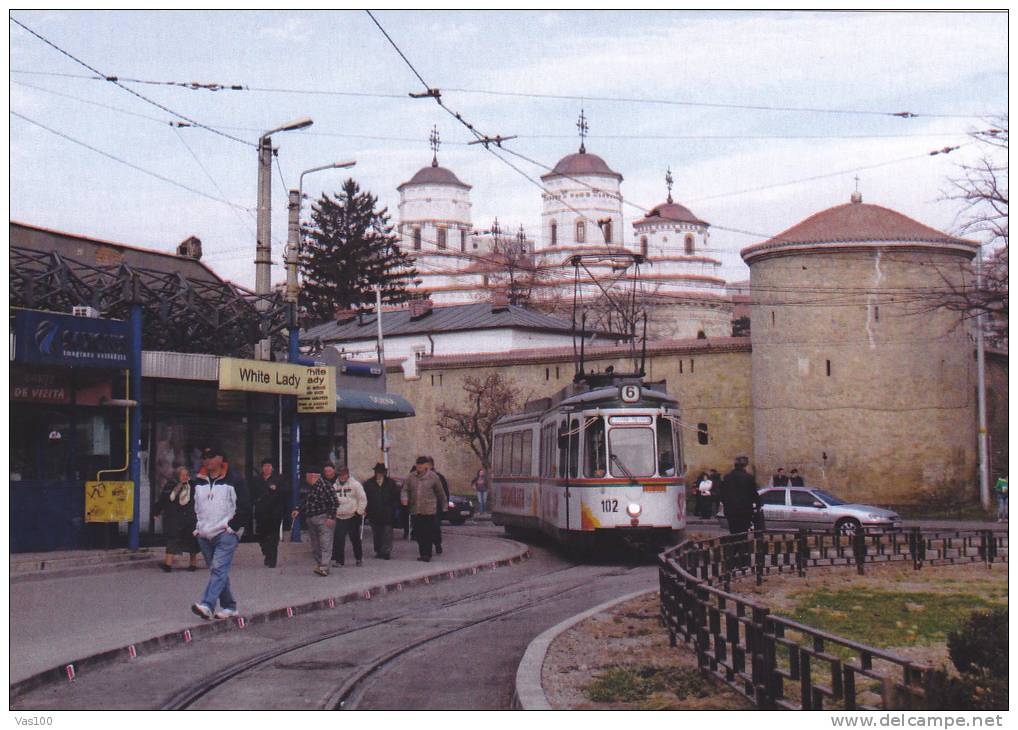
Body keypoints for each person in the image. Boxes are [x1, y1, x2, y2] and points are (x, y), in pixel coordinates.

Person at [190, 447, 250, 620]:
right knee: (218, 572)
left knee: (218, 569)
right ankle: (230, 606)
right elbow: (195, 506)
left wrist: (232, 527)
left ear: (221, 458)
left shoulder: (235, 480)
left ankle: (207, 605)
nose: (207, 460)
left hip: (225, 533)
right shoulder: (199, 481)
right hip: (204, 533)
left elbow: (245, 505)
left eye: (211, 456)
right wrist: (197, 528)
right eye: (205, 457)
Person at [291, 465, 338, 576]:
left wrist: (331, 517)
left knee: (325, 543)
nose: (306, 478)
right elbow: (306, 501)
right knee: (315, 544)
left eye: (307, 476)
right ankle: (320, 564)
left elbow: (334, 502)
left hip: (323, 517)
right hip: (311, 518)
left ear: (313, 476)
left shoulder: (326, 486)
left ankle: (324, 566)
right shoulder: (310, 487)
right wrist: (298, 509)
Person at [153, 465, 199, 572]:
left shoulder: (193, 486)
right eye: (182, 475)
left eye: (186, 475)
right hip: (174, 518)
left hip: (189, 517)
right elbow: (163, 500)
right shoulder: (170, 486)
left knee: (192, 540)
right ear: (177, 476)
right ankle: (168, 565)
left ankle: (193, 564)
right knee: (172, 539)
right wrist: (156, 512)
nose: (185, 477)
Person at [404, 456, 446, 562]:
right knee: (418, 532)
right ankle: (422, 553)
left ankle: (427, 554)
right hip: (415, 509)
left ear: (426, 466)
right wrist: (404, 498)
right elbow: (405, 489)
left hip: (429, 510)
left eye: (421, 465)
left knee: (427, 532)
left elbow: (440, 493)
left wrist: (444, 505)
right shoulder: (411, 477)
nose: (419, 467)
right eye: (417, 465)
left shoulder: (433, 477)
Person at [251, 459, 287, 568]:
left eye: (269, 466)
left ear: (272, 468)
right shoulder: (256, 480)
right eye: (265, 466)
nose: (267, 468)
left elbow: (285, 492)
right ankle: (266, 552)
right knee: (261, 535)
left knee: (273, 536)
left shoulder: (279, 479)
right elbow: (252, 493)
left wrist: (276, 489)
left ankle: (272, 560)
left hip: (274, 512)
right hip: (261, 512)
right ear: (262, 468)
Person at [330, 463, 367, 567]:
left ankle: (359, 558)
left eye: (343, 474)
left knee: (355, 539)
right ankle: (339, 561)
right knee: (339, 539)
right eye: (340, 474)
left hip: (352, 516)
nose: (342, 476)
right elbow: (332, 500)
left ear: (347, 474)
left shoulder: (355, 485)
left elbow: (362, 499)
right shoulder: (334, 486)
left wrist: (359, 511)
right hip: (339, 516)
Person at [364, 463, 401, 559]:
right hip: (374, 511)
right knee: (376, 532)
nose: (379, 474)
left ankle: (386, 552)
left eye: (381, 472)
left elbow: (396, 497)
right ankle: (378, 550)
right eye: (377, 472)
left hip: (387, 511)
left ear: (385, 473)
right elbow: (365, 497)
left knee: (387, 532)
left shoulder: (391, 483)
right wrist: (366, 509)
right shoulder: (369, 483)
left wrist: (394, 508)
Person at [721, 455, 762, 536]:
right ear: (745, 465)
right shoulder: (749, 478)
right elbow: (754, 494)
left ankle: (734, 547)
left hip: (731, 510)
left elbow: (722, 494)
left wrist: (726, 504)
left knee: (733, 531)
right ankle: (742, 547)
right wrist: (758, 505)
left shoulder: (727, 477)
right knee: (743, 533)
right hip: (745, 511)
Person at [428, 457, 451, 555]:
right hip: (423, 507)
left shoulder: (439, 477)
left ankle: (437, 543)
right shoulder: (419, 477)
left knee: (435, 527)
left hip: (436, 507)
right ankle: (426, 550)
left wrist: (444, 506)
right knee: (425, 529)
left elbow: (444, 493)